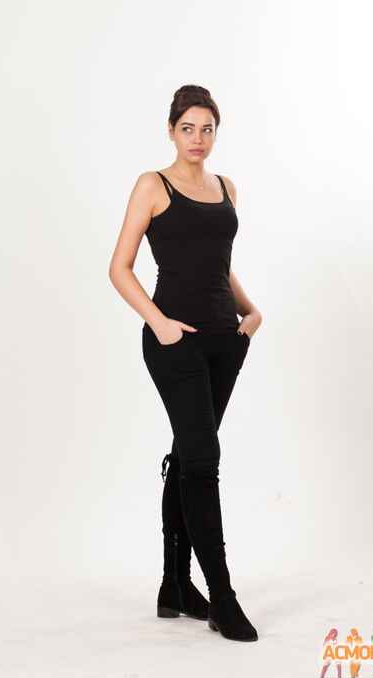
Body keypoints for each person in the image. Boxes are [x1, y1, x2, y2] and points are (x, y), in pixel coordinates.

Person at [108, 84, 262, 642]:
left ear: (216, 133)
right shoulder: (153, 185)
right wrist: (161, 324)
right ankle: (222, 596)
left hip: (226, 340)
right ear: (171, 131)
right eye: (188, 128)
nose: (198, 138)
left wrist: (250, 312)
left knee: (190, 452)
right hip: (175, 343)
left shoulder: (226, 188)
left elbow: (218, 265)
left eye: (207, 129)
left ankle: (174, 585)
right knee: (203, 459)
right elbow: (119, 267)